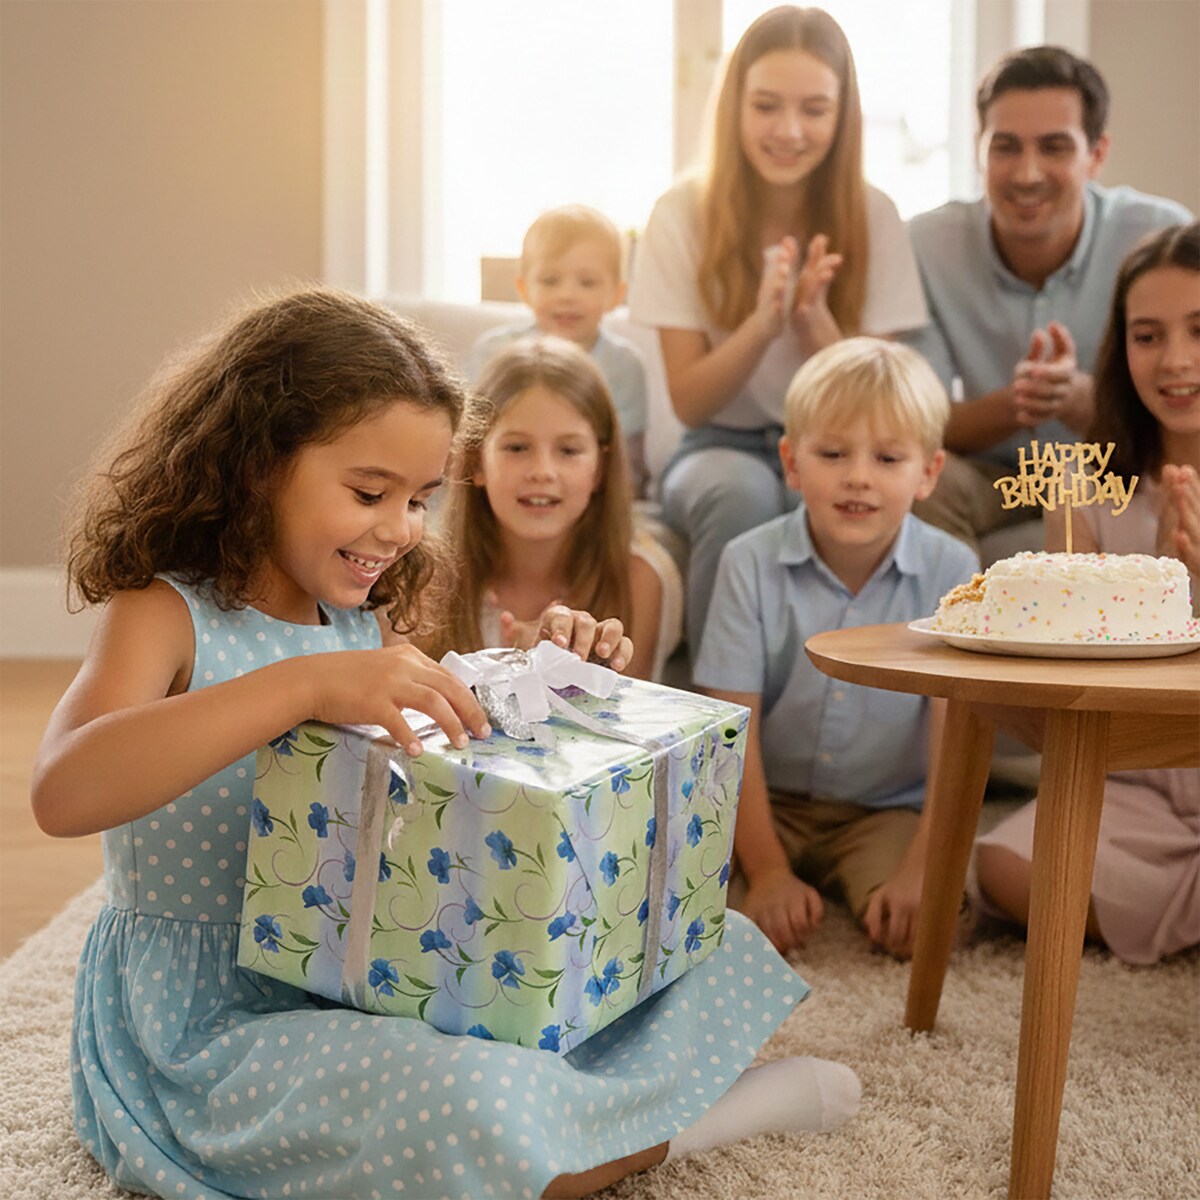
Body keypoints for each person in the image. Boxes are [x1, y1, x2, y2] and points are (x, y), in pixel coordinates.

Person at [32, 287, 861, 1200]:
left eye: (421, 499)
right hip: (204, 1027)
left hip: (356, 974)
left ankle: (577, 1120)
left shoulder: (357, 619)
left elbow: (439, 773)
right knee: (469, 1103)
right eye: (369, 493)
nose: (399, 529)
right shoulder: (165, 611)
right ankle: (692, 1123)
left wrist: (541, 680)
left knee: (695, 948)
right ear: (260, 464)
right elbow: (64, 790)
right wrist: (303, 686)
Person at [628, 5, 927, 655]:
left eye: (814, 109)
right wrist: (762, 325)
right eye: (766, 106)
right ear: (734, 106)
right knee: (739, 493)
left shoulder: (875, 214)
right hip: (717, 443)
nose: (789, 130)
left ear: (843, 115)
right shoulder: (680, 212)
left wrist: (814, 324)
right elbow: (690, 401)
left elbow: (882, 408)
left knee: (841, 489)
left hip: (837, 442)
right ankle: (719, 705)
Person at [694, 337, 979, 960]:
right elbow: (730, 730)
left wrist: (921, 869)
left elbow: (957, 737)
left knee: (930, 926)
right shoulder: (748, 562)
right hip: (768, 805)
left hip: (885, 813)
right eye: (832, 454)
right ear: (792, 463)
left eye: (888, 458)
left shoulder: (953, 569)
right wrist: (768, 871)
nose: (858, 477)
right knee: (694, 914)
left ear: (929, 473)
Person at [975, 222, 1200, 965]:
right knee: (1005, 866)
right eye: (1147, 336)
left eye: (1198, 330)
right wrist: (1157, 585)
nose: (1175, 360)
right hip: (1138, 784)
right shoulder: (1083, 480)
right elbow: (1073, 665)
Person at [901, 45, 1193, 555]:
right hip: (995, 473)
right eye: (1006, 147)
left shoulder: (1157, 235)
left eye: (1054, 147)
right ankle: (960, 608)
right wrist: (1019, 403)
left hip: (1116, 463)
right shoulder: (926, 244)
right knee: (918, 481)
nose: (1027, 173)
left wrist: (1084, 400)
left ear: (1096, 154)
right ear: (978, 151)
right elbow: (916, 422)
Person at [429, 336, 682, 681]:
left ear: (601, 469)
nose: (543, 472)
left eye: (568, 451)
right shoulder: (429, 579)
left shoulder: (640, 579)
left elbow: (628, 711)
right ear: (476, 462)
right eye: (517, 448)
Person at [468, 204, 651, 497]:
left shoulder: (624, 365)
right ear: (524, 289)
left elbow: (628, 468)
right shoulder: (494, 353)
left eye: (587, 282)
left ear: (617, 294)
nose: (567, 295)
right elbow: (467, 452)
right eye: (550, 281)